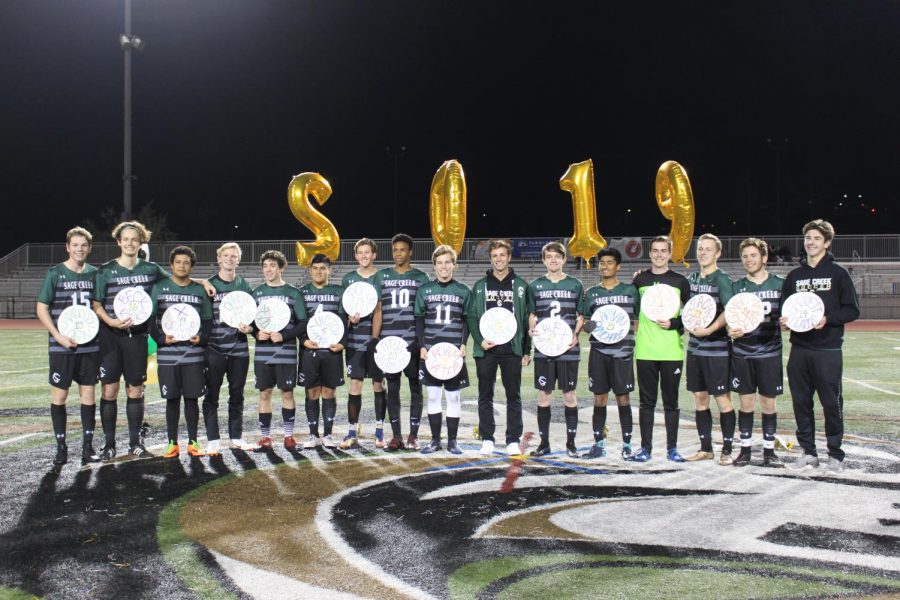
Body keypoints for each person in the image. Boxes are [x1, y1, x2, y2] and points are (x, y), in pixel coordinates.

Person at [781, 219, 859, 473]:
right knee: (801, 403)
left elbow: (852, 310)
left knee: (831, 403)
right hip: (800, 350)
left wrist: (828, 319)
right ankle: (808, 452)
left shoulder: (838, 273)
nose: (810, 242)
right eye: (807, 238)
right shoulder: (795, 276)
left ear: (826, 242)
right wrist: (785, 321)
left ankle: (835, 454)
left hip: (827, 350)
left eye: (816, 238)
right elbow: (786, 309)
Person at [36, 227, 101, 466]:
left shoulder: (96, 274)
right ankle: (61, 447)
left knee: (88, 394)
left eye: (84, 245)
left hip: (90, 346)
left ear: (89, 248)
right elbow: (41, 308)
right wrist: (58, 336)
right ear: (67, 247)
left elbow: (98, 307)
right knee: (60, 395)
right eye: (75, 245)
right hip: (62, 346)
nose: (79, 249)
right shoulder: (55, 273)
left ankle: (87, 446)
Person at [466, 239, 534, 456]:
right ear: (490, 259)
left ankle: (513, 439)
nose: (498, 259)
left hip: (511, 349)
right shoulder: (480, 286)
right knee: (485, 395)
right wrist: (479, 340)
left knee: (513, 395)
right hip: (487, 349)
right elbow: (473, 317)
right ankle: (487, 438)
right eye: (494, 256)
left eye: (502, 255)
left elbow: (526, 320)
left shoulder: (522, 286)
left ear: (509, 257)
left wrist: (526, 350)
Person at [148, 246, 214, 458]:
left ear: (191, 266)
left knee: (192, 399)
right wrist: (160, 339)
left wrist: (201, 338)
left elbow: (207, 321)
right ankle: (172, 443)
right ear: (172, 265)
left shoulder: (198, 290)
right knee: (172, 399)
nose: (182, 266)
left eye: (186, 262)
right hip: (168, 353)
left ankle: (193, 442)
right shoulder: (159, 287)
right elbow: (150, 320)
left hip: (193, 354)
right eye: (178, 262)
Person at [631, 236, 691, 462]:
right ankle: (645, 448)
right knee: (647, 403)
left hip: (671, 351)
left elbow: (693, 313)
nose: (659, 255)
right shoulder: (639, 280)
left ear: (670, 253)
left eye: (663, 251)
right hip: (645, 350)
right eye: (655, 251)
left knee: (671, 403)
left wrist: (675, 324)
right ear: (650, 253)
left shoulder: (679, 281)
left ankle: (672, 449)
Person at [729, 238, 785, 467]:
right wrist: (729, 329)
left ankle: (769, 452)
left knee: (768, 404)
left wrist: (787, 322)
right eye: (745, 256)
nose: (749, 260)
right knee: (746, 403)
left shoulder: (780, 284)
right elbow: (728, 317)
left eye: (753, 255)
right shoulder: (737, 286)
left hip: (770, 351)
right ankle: (745, 450)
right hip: (743, 352)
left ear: (764, 258)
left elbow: (788, 314)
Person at [578, 247, 638, 460]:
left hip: (623, 353)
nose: (605, 266)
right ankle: (599, 444)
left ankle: (627, 444)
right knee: (600, 398)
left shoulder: (630, 291)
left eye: (609, 262)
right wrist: (589, 326)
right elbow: (585, 324)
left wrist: (624, 335)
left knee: (623, 398)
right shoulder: (592, 293)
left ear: (618, 266)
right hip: (599, 353)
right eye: (602, 263)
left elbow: (637, 322)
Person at [372, 233, 430, 450]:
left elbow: (424, 312)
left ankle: (413, 435)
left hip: (412, 342)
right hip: (390, 344)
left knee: (416, 387)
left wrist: (420, 340)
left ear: (410, 252)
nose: (398, 253)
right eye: (395, 250)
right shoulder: (381, 276)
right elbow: (378, 309)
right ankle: (396, 436)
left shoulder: (421, 277)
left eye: (402, 250)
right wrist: (376, 338)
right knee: (393, 389)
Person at [683, 234, 737, 465]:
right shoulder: (691, 278)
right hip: (695, 348)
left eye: (708, 249)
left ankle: (727, 448)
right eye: (700, 248)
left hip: (717, 349)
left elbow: (729, 309)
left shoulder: (722, 279)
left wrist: (711, 329)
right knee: (699, 398)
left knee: (722, 399)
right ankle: (706, 448)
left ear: (718, 254)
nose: (703, 252)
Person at [527, 242, 584, 458]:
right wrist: (532, 328)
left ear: (564, 259)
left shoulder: (575, 284)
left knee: (569, 395)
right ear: (543, 260)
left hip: (568, 349)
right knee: (544, 395)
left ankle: (571, 443)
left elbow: (580, 315)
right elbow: (532, 314)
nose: (553, 260)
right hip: (544, 349)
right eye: (549, 257)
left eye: (557, 257)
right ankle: (544, 444)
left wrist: (576, 334)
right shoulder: (535, 286)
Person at [414, 245, 471, 455]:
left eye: (448, 262)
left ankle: (453, 441)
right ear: (435, 266)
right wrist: (421, 346)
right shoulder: (425, 290)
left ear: (454, 265)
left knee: (454, 397)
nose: (444, 266)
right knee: (433, 396)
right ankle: (435, 440)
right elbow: (419, 320)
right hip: (431, 352)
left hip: (453, 353)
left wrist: (464, 343)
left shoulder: (464, 290)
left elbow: (467, 321)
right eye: (440, 263)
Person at [251, 250, 307, 451]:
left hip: (286, 352)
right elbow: (251, 324)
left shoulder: (293, 293)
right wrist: (256, 333)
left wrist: (284, 335)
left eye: (272, 265)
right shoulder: (256, 294)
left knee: (287, 392)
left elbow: (303, 324)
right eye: (265, 266)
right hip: (263, 353)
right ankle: (265, 438)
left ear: (281, 268)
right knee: (264, 393)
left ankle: (289, 436)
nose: (268, 269)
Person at [202, 242, 255, 455]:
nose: (230, 259)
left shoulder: (244, 285)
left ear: (238, 260)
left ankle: (236, 436)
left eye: (234, 256)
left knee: (237, 393)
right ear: (219, 258)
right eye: (226, 255)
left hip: (239, 349)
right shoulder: (209, 284)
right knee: (211, 394)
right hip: (214, 348)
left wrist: (249, 327)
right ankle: (213, 439)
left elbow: (254, 319)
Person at [339, 238, 386, 449]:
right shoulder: (348, 279)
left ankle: (379, 431)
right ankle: (352, 431)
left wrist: (375, 339)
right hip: (355, 341)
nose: (364, 256)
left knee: (378, 384)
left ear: (374, 255)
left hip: (375, 342)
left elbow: (378, 310)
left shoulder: (381, 277)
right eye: (360, 252)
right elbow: (344, 312)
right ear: (356, 255)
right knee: (355, 384)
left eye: (368, 252)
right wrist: (350, 319)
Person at [298, 254, 346, 449]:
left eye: (322, 268)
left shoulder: (338, 292)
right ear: (310, 270)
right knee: (311, 392)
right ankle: (312, 435)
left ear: (329, 270)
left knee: (328, 391)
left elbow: (344, 320)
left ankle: (327, 435)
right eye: (315, 268)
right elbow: (298, 321)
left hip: (332, 350)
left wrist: (343, 343)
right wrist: (303, 340)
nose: (319, 271)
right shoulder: (301, 292)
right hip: (310, 350)